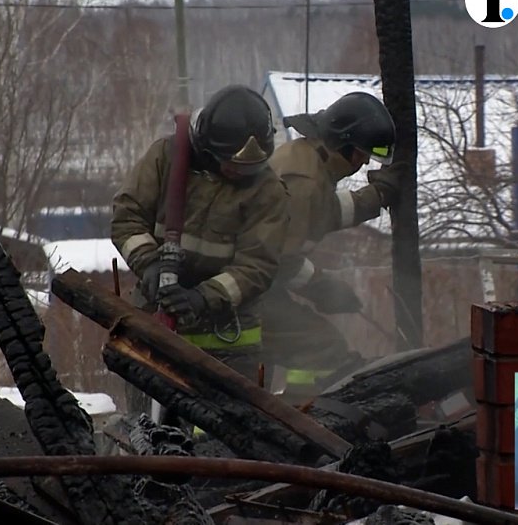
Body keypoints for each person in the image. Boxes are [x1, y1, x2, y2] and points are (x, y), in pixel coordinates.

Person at [112, 84, 290, 414]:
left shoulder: (267, 191)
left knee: (226, 438)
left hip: (230, 343)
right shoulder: (167, 158)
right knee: (148, 433)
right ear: (208, 148)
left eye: (250, 168)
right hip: (156, 325)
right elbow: (127, 215)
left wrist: (204, 297)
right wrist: (148, 264)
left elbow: (257, 266)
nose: (241, 174)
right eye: (233, 165)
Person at [262, 92, 406, 401]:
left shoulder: (307, 159)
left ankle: (297, 410)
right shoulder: (306, 181)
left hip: (254, 283)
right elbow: (281, 260)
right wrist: (321, 286)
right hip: (250, 290)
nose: (366, 161)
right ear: (343, 145)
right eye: (363, 153)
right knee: (321, 346)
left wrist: (376, 197)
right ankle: (304, 417)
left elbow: (321, 212)